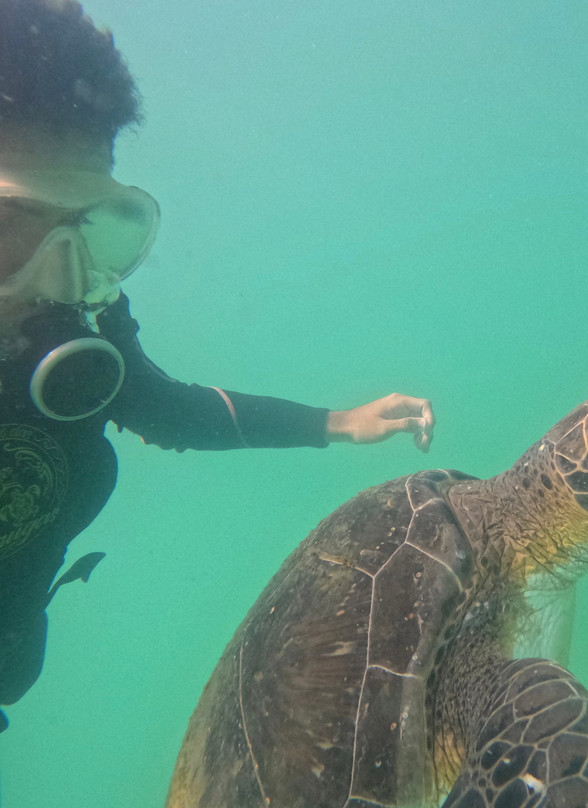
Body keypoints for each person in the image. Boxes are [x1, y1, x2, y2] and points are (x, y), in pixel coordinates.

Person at [0, 0, 436, 733]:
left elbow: (166, 409)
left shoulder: (85, 322)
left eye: (94, 234)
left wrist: (337, 423)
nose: (61, 279)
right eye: (9, 232)